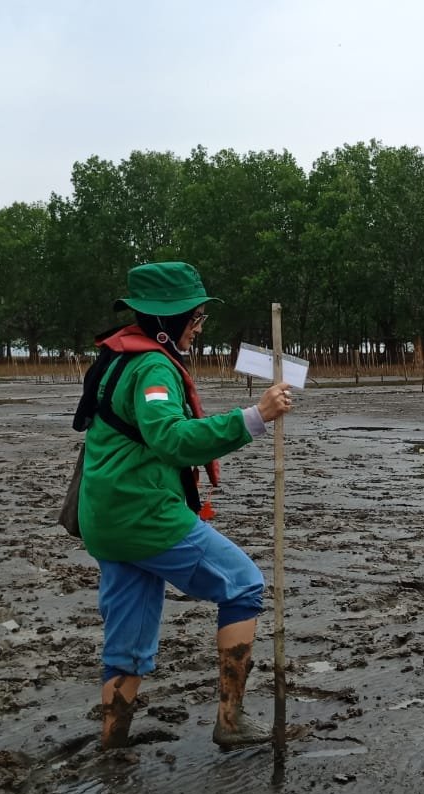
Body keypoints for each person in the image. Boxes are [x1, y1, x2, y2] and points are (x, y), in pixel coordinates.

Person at [77, 261, 294, 751]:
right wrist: (255, 417)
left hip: (106, 520)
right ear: (166, 322)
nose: (198, 329)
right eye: (195, 319)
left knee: (128, 642)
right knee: (243, 584)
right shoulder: (153, 366)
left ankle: (111, 743)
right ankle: (231, 721)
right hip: (144, 517)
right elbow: (170, 437)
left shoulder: (116, 358)